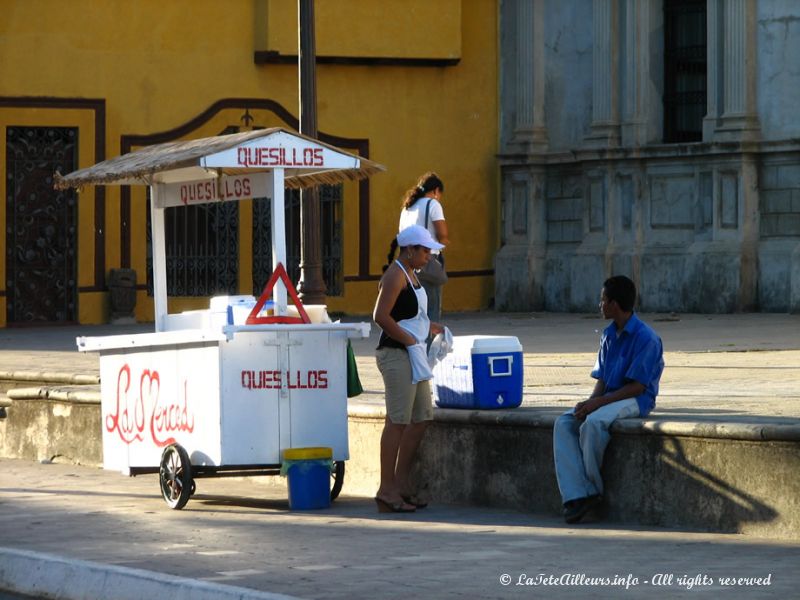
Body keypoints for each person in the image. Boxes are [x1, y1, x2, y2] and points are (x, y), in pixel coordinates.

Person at [552, 275, 664, 524]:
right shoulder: (608, 335)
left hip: (635, 399)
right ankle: (575, 493)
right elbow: (602, 379)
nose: (599, 304)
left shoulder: (647, 338)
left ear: (614, 304)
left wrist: (598, 405)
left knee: (594, 424)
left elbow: (637, 387)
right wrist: (588, 403)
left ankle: (591, 490)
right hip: (608, 398)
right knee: (564, 423)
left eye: (602, 300)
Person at [373, 224, 445, 512]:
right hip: (396, 355)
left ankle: (401, 483)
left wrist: (431, 328)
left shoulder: (412, 275)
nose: (428, 256)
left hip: (412, 354)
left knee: (422, 416)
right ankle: (386, 488)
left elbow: (410, 315)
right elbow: (380, 315)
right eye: (425, 250)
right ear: (410, 250)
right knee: (398, 420)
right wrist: (409, 339)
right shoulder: (395, 275)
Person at [398, 172, 450, 324]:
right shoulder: (432, 204)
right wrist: (444, 242)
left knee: (413, 310)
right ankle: (427, 345)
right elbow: (442, 234)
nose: (439, 197)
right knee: (431, 309)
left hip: (406, 263)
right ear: (435, 190)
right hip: (427, 261)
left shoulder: (407, 207)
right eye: (439, 194)